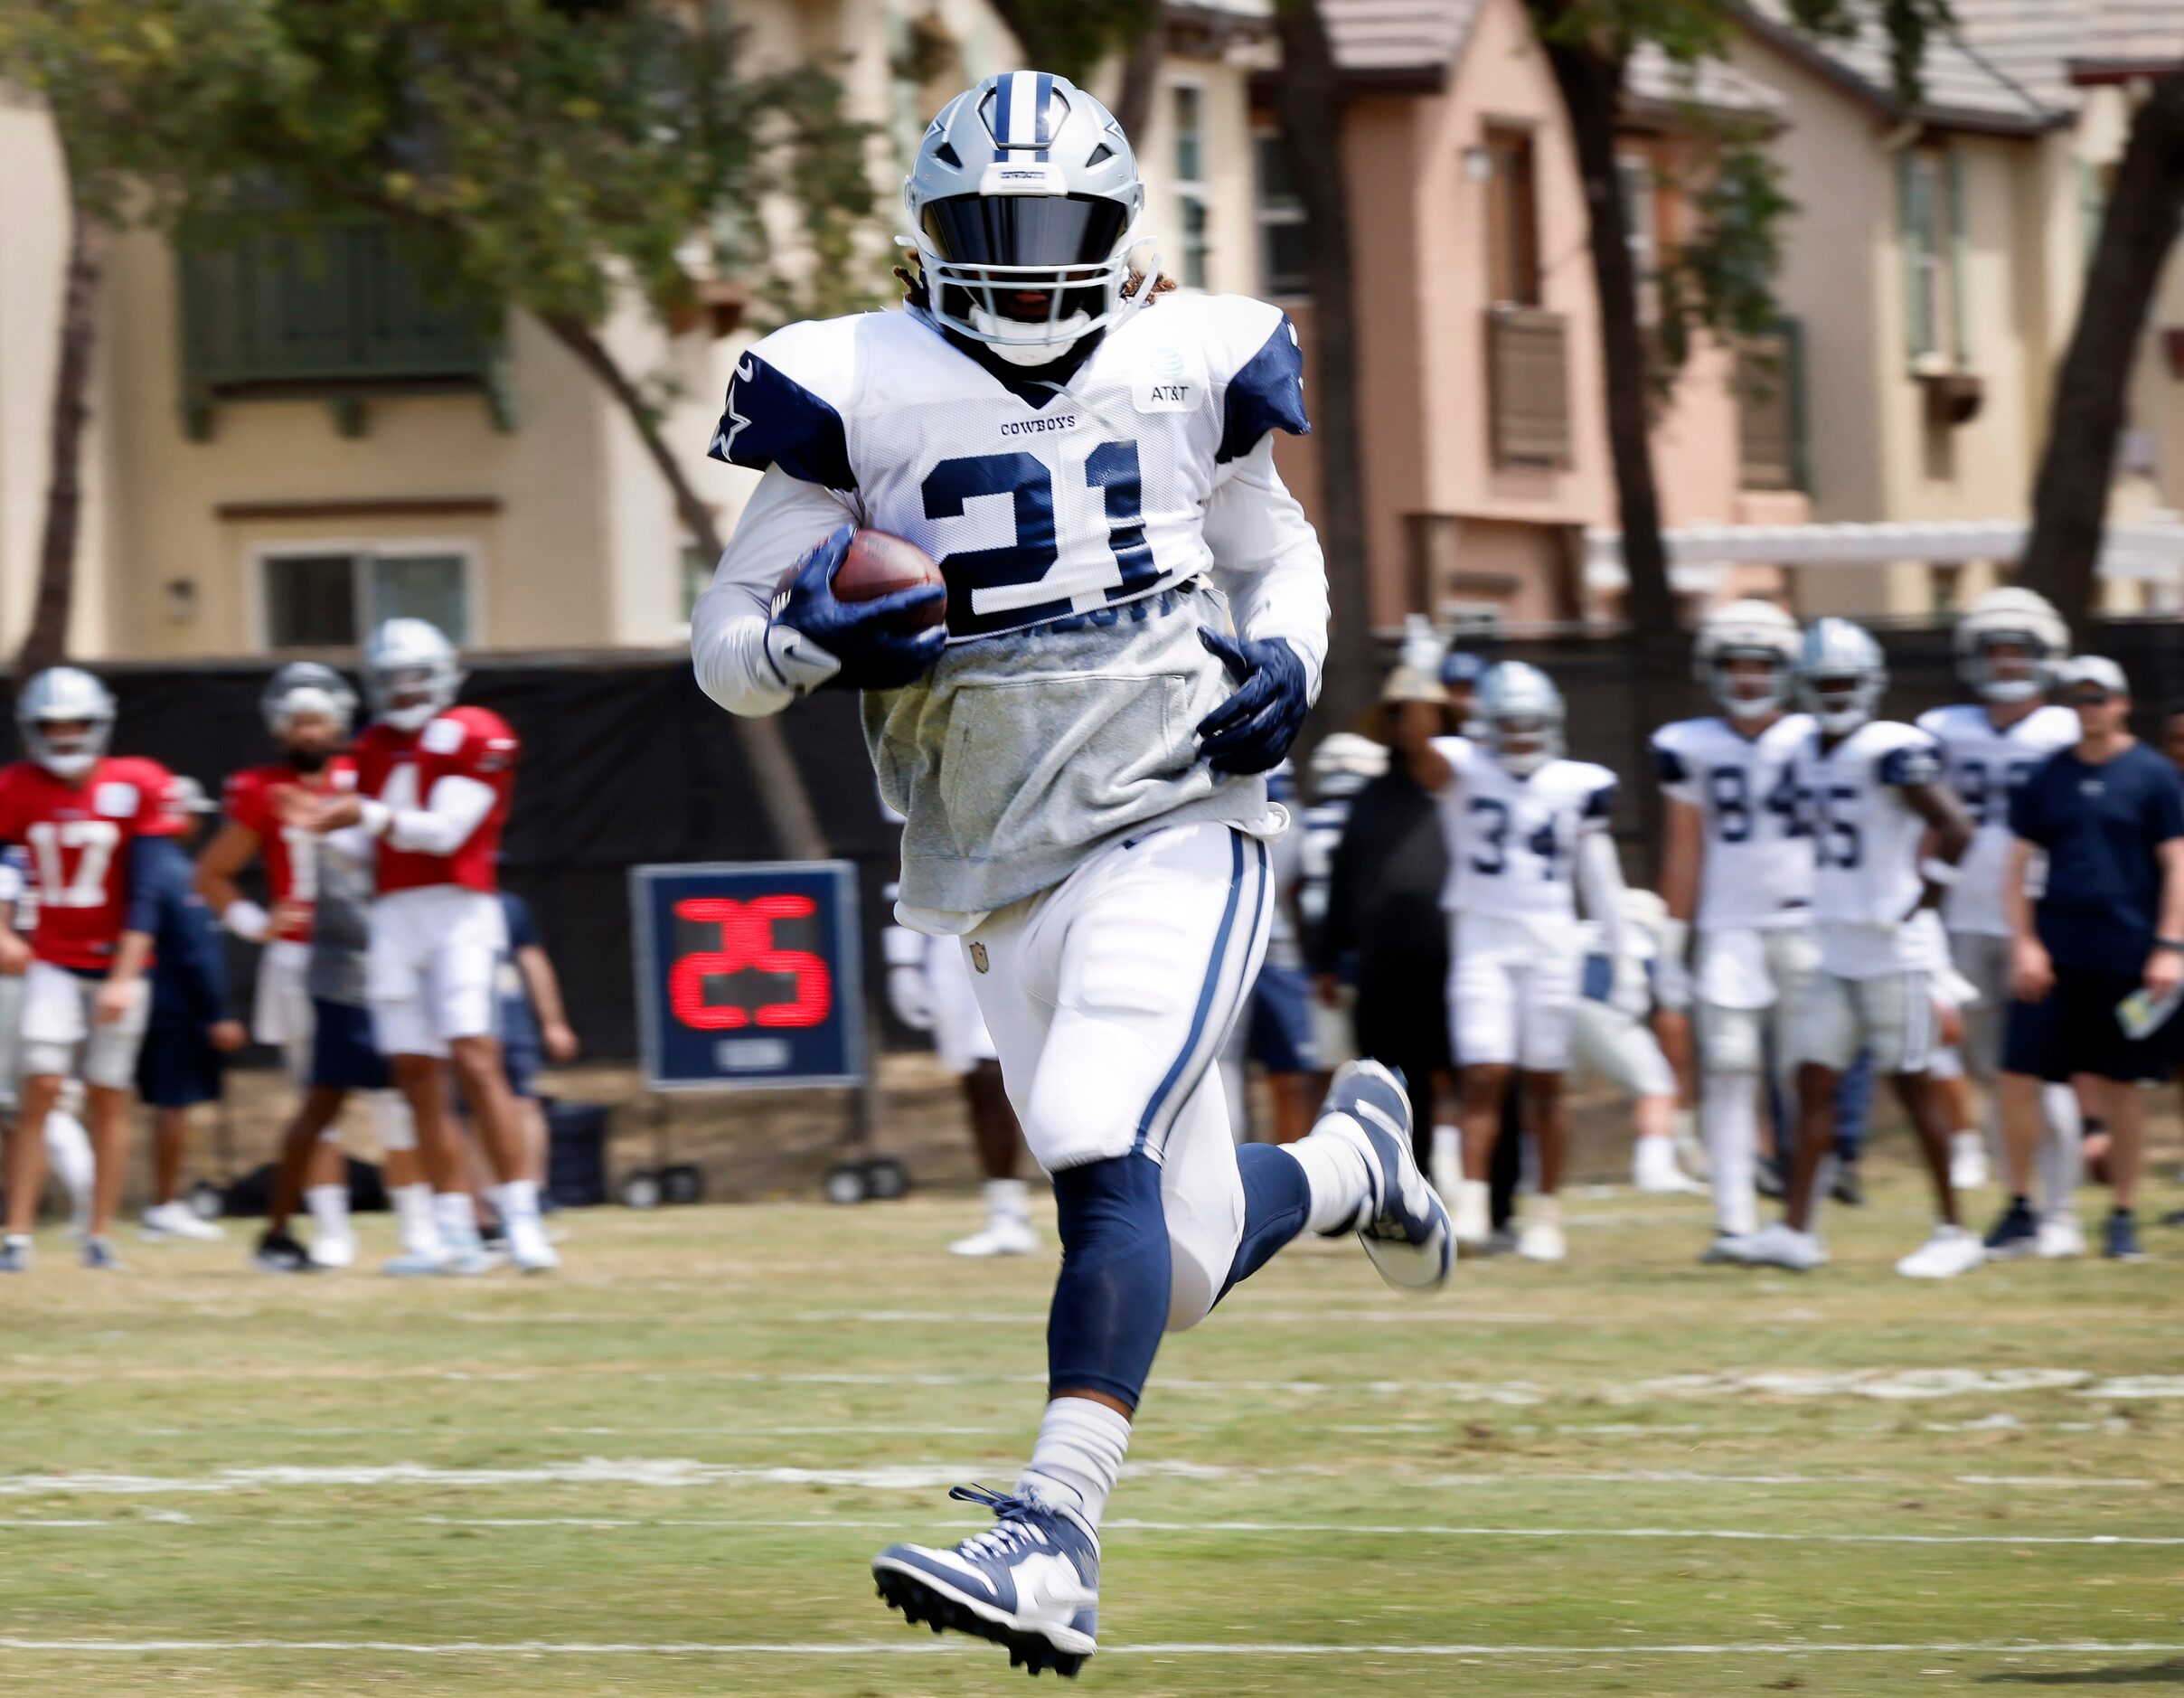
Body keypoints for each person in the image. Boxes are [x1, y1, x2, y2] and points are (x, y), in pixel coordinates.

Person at [691, 70, 1450, 1677]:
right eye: (995, 231)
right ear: (934, 235)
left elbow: (1271, 546)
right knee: (1163, 1267)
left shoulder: (1191, 357)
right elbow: (723, 643)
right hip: (983, 862)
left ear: (1113, 233)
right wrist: (799, 637)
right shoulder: (853, 381)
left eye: (1057, 229)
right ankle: (1345, 1169)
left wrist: (1295, 662)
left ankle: (1052, 1533)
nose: (1031, 264)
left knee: (1096, 1138)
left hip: (1179, 811)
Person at [287, 618, 555, 1275]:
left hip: (460, 910)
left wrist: (363, 817)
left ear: (443, 674)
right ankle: (452, 1231)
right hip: (394, 915)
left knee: (477, 1057)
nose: (404, 690)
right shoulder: (372, 744)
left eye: (415, 676)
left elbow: (445, 833)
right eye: (392, 679)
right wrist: (316, 827)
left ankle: (520, 1220)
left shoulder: (476, 730)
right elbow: (359, 848)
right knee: (415, 1075)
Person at [1728, 619, 1978, 1277]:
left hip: (1893, 950)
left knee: (1914, 1085)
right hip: (1835, 947)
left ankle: (1954, 1230)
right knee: (1813, 1081)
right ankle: (1797, 1231)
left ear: (1869, 684)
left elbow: (1955, 827)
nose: (1836, 693)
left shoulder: (1892, 746)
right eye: (1824, 683)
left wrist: (1926, 899)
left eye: (1845, 681)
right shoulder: (1805, 749)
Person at [1417, 661, 1628, 1263]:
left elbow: (1600, 877)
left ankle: (1545, 1212)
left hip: (1550, 940)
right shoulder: (1461, 764)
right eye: (1508, 724)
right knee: (1483, 1073)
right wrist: (1416, 679)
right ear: (1485, 723)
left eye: (1529, 724)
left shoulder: (1577, 783)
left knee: (1545, 1080)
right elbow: (1418, 750)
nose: (1519, 736)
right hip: (1482, 934)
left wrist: (1625, 959)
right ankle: (1475, 1206)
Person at [1993, 656, 2184, 1263]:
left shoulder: (2153, 777)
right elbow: (2018, 868)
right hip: (2057, 957)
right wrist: (2025, 942)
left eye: (2098, 698)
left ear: (2122, 703)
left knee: (2124, 1086)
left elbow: (2177, 864)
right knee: (2016, 1076)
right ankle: (2019, 1206)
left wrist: (2170, 946)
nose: (2088, 711)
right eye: (2077, 700)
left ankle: (2122, 1216)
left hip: (2129, 958)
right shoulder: (2048, 777)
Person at [0, 668, 184, 1272]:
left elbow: (150, 890)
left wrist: (126, 974)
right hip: (52, 958)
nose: (65, 734)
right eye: (52, 725)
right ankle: (18, 1235)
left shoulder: (139, 782)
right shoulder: (17, 786)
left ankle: (99, 1233)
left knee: (109, 1094)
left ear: (100, 724)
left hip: (116, 962)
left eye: (77, 722)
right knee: (42, 1087)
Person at [1650, 600, 1817, 1255]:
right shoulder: (1691, 745)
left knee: (1808, 1074)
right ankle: (1734, 1217)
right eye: (1735, 666)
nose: (1748, 679)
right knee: (1728, 1068)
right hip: (1728, 927)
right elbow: (1685, 850)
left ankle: (1801, 1221)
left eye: (1761, 665)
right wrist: (1670, 943)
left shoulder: (1815, 736)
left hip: (1807, 921)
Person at [1916, 589, 2083, 1228]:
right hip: (1964, 915)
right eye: (1997, 652)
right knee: (1994, 1070)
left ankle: (2060, 1211)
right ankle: (2024, 1202)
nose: (2009, 665)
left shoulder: (2067, 730)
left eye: (2021, 653)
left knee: (2046, 1070)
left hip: (2042, 919)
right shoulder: (1942, 729)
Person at [198, 661, 367, 1262]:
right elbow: (212, 874)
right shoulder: (260, 788)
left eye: (318, 720)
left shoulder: (370, 774)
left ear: (340, 722)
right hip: (299, 958)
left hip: (375, 952)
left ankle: (431, 1224)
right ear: (278, 727)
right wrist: (257, 924)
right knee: (317, 1095)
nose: (309, 732)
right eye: (297, 722)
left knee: (406, 1094)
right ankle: (332, 1229)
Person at [252, 830, 431, 1272]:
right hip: (347, 988)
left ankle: (421, 1226)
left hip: (386, 985)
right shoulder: (337, 836)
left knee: (399, 1105)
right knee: (331, 1107)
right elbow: (349, 918)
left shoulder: (393, 821)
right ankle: (303, 1232)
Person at [887, 899, 1037, 1255]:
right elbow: (908, 862)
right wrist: (902, 957)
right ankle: (1006, 1212)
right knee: (977, 1078)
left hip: (1018, 920)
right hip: (948, 930)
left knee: (1000, 1070)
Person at [136, 776, 248, 1241]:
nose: (198, 823)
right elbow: (196, 952)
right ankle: (166, 1203)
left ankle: (166, 1201)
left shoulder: (152, 865)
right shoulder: (178, 872)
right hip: (176, 1007)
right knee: (173, 1106)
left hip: (163, 1003)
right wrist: (217, 1011)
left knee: (169, 1106)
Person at [1571, 888, 1701, 1194]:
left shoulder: (1580, 932)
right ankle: (1654, 1169)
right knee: (1657, 1089)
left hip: (1550, 1010)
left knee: (1541, 1096)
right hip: (1602, 1010)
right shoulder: (1648, 945)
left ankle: (1526, 1172)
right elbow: (1671, 1014)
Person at [1294, 731, 1385, 1087]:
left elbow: (1298, 897)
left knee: (1327, 1073)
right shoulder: (1376, 822)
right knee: (1382, 1071)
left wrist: (1315, 961)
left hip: (1323, 964)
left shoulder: (1305, 823)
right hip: (1372, 960)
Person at [491, 889, 579, 1197]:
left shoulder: (510, 906)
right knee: (472, 1111)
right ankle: (490, 1205)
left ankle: (530, 1196)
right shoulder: (438, 905)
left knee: (524, 1103)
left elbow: (534, 963)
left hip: (509, 1014)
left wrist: (554, 1023)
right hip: (468, 1020)